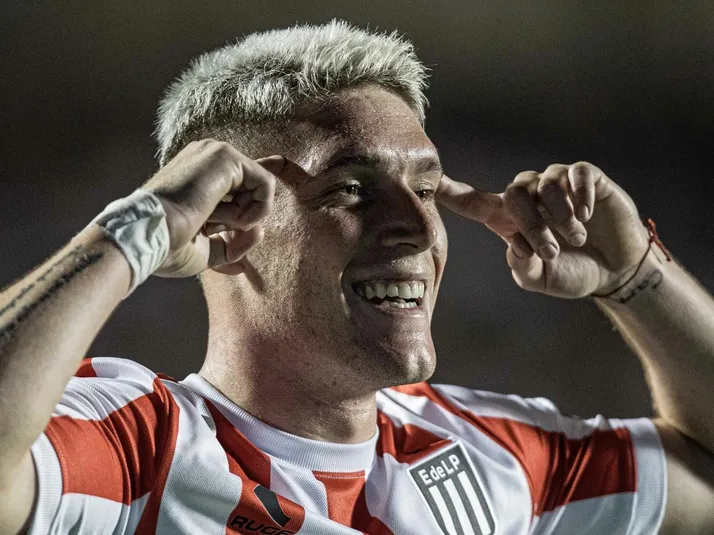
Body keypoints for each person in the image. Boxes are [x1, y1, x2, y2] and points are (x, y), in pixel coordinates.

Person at [1, 19, 712, 535]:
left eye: (425, 189)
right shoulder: (140, 450)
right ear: (219, 223)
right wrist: (137, 227)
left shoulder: (489, 458)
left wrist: (635, 276)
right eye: (350, 189)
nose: (418, 227)